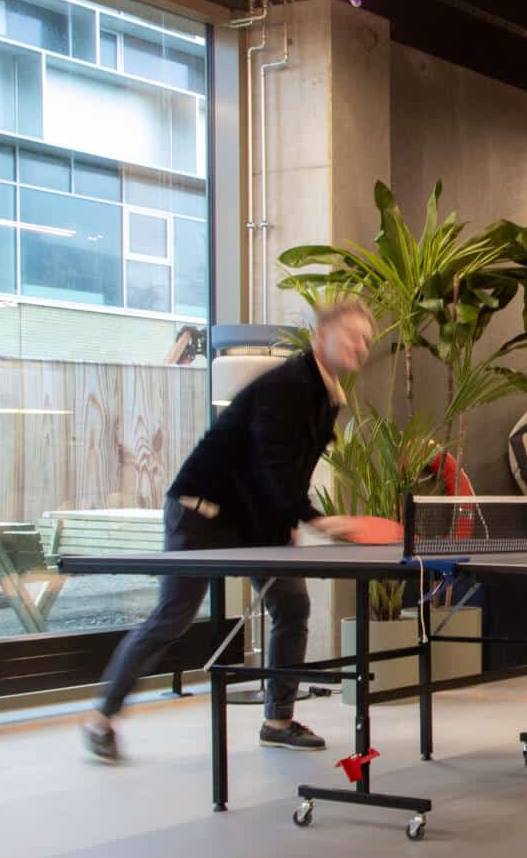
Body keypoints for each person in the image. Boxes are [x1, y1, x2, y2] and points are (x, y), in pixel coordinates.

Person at [84, 300, 376, 763]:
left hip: (247, 517)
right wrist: (315, 518)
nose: (361, 345)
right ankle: (102, 718)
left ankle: (278, 720)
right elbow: (269, 461)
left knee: (290, 603)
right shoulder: (288, 385)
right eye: (352, 335)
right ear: (323, 337)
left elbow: (292, 468)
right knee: (173, 617)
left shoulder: (328, 394)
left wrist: (286, 522)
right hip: (201, 510)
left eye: (365, 338)